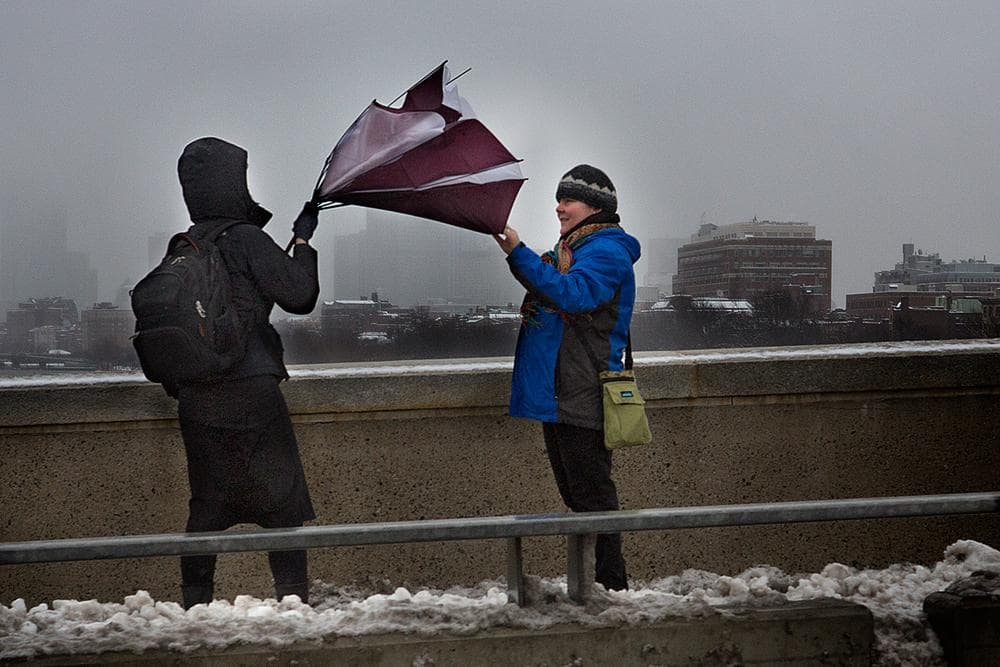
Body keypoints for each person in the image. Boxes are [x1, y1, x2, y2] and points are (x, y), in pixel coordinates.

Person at [174, 137, 321, 608]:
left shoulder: (189, 245)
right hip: (251, 390)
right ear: (233, 183)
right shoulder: (243, 238)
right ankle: (292, 603)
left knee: (207, 506)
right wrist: (301, 243)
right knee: (281, 502)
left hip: (197, 396)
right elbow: (299, 295)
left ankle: (195, 606)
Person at [493, 164, 640, 591]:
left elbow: (574, 295)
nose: (558, 207)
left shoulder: (607, 250)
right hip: (562, 394)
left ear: (594, 207)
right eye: (558, 198)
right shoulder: (573, 248)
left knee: (594, 500)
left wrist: (518, 252)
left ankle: (612, 588)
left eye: (568, 199)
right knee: (579, 500)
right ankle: (596, 587)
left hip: (583, 391)